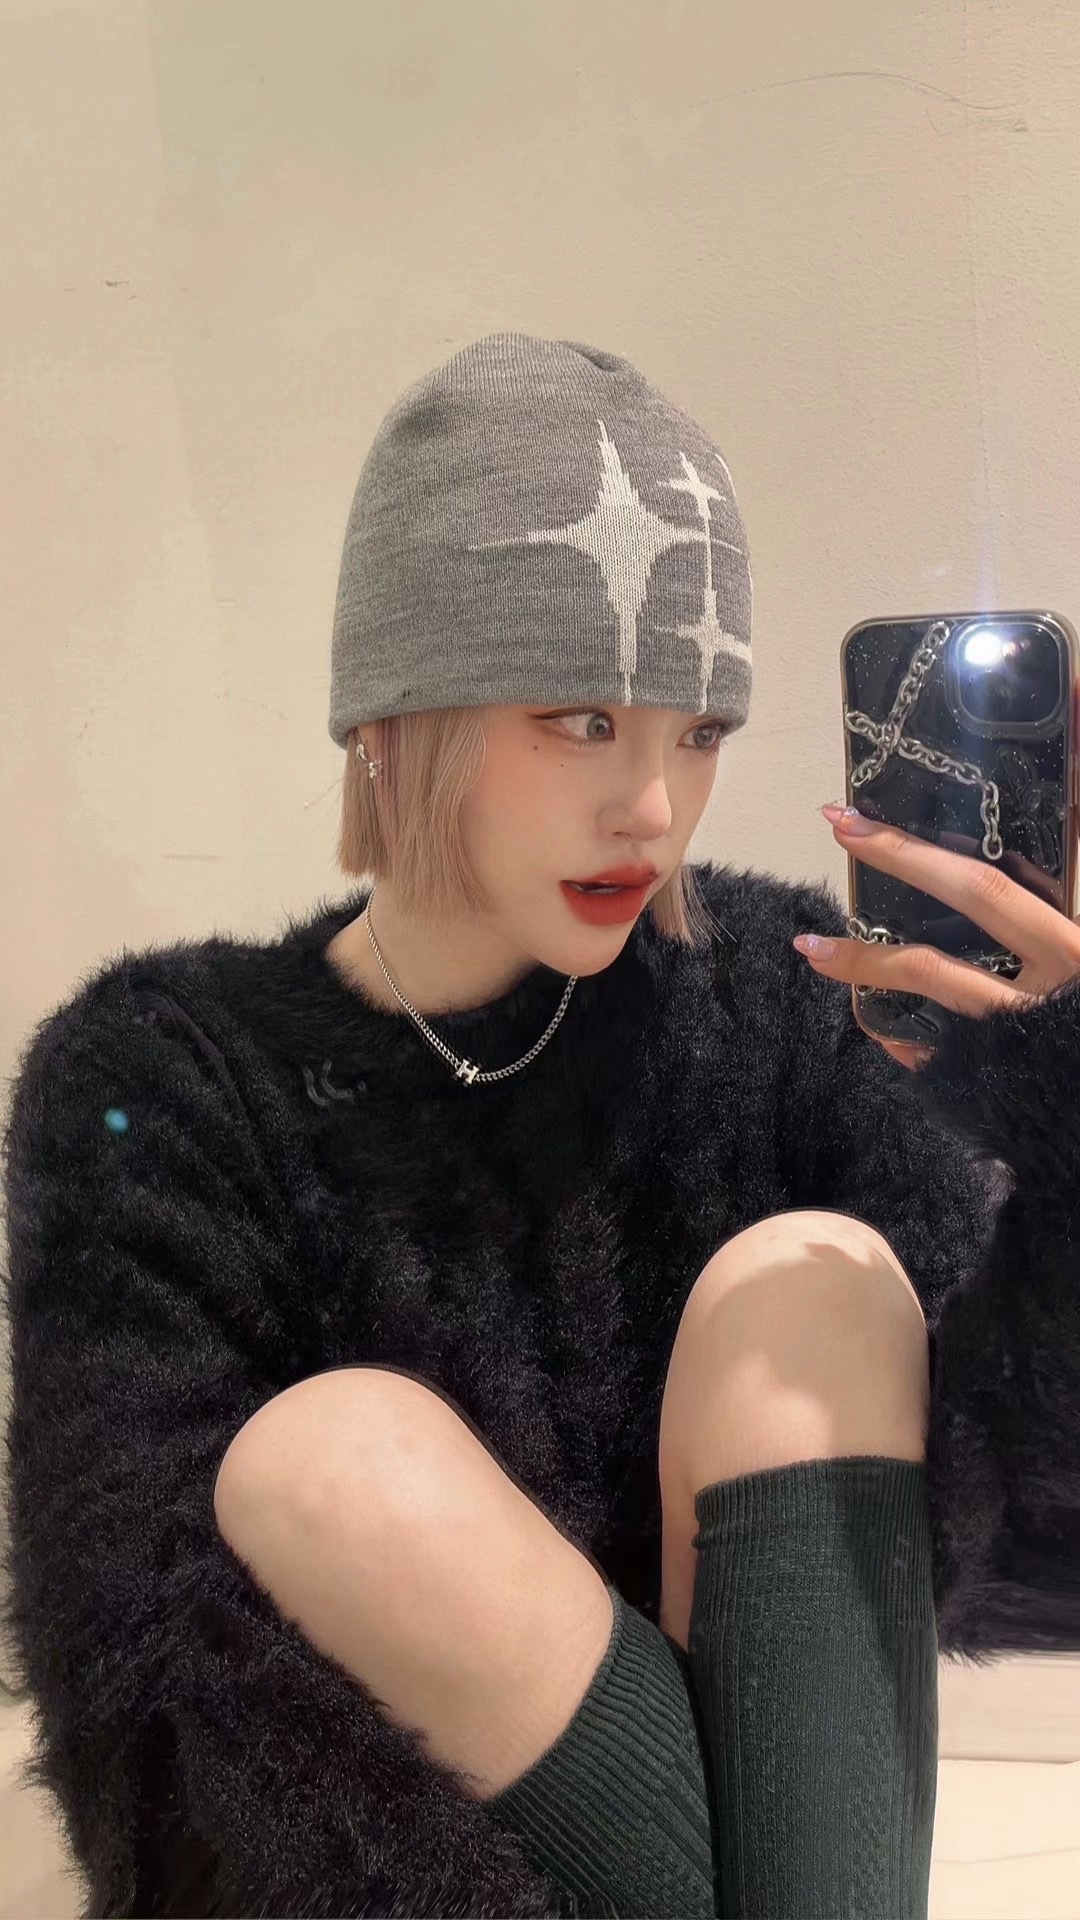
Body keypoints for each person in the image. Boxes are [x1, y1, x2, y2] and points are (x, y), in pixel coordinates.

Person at [2, 331, 1078, 1920]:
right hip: (426, 1872)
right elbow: (146, 1693)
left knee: (819, 1283)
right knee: (331, 1461)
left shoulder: (780, 997)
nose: (653, 806)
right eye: (582, 719)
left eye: (698, 732)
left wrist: (1057, 1117)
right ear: (390, 715)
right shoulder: (167, 1076)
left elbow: (1025, 1526)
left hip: (802, 1821)